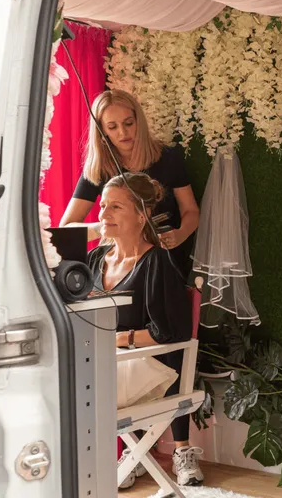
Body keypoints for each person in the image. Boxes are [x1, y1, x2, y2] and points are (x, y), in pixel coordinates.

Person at [87, 172, 204, 488]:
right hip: (107, 361)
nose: (104, 214)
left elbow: (169, 332)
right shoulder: (95, 258)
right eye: (103, 206)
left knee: (75, 393)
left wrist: (118, 340)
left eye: (116, 207)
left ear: (142, 215)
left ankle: (112, 463)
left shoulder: (157, 262)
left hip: (149, 365)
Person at [61, 89, 199, 280]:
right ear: (101, 131)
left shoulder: (168, 158)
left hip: (166, 263)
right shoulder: (98, 168)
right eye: (112, 127)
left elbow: (191, 211)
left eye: (128, 123)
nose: (123, 132)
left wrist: (181, 234)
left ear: (139, 122)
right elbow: (65, 231)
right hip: (117, 270)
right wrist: (106, 226)